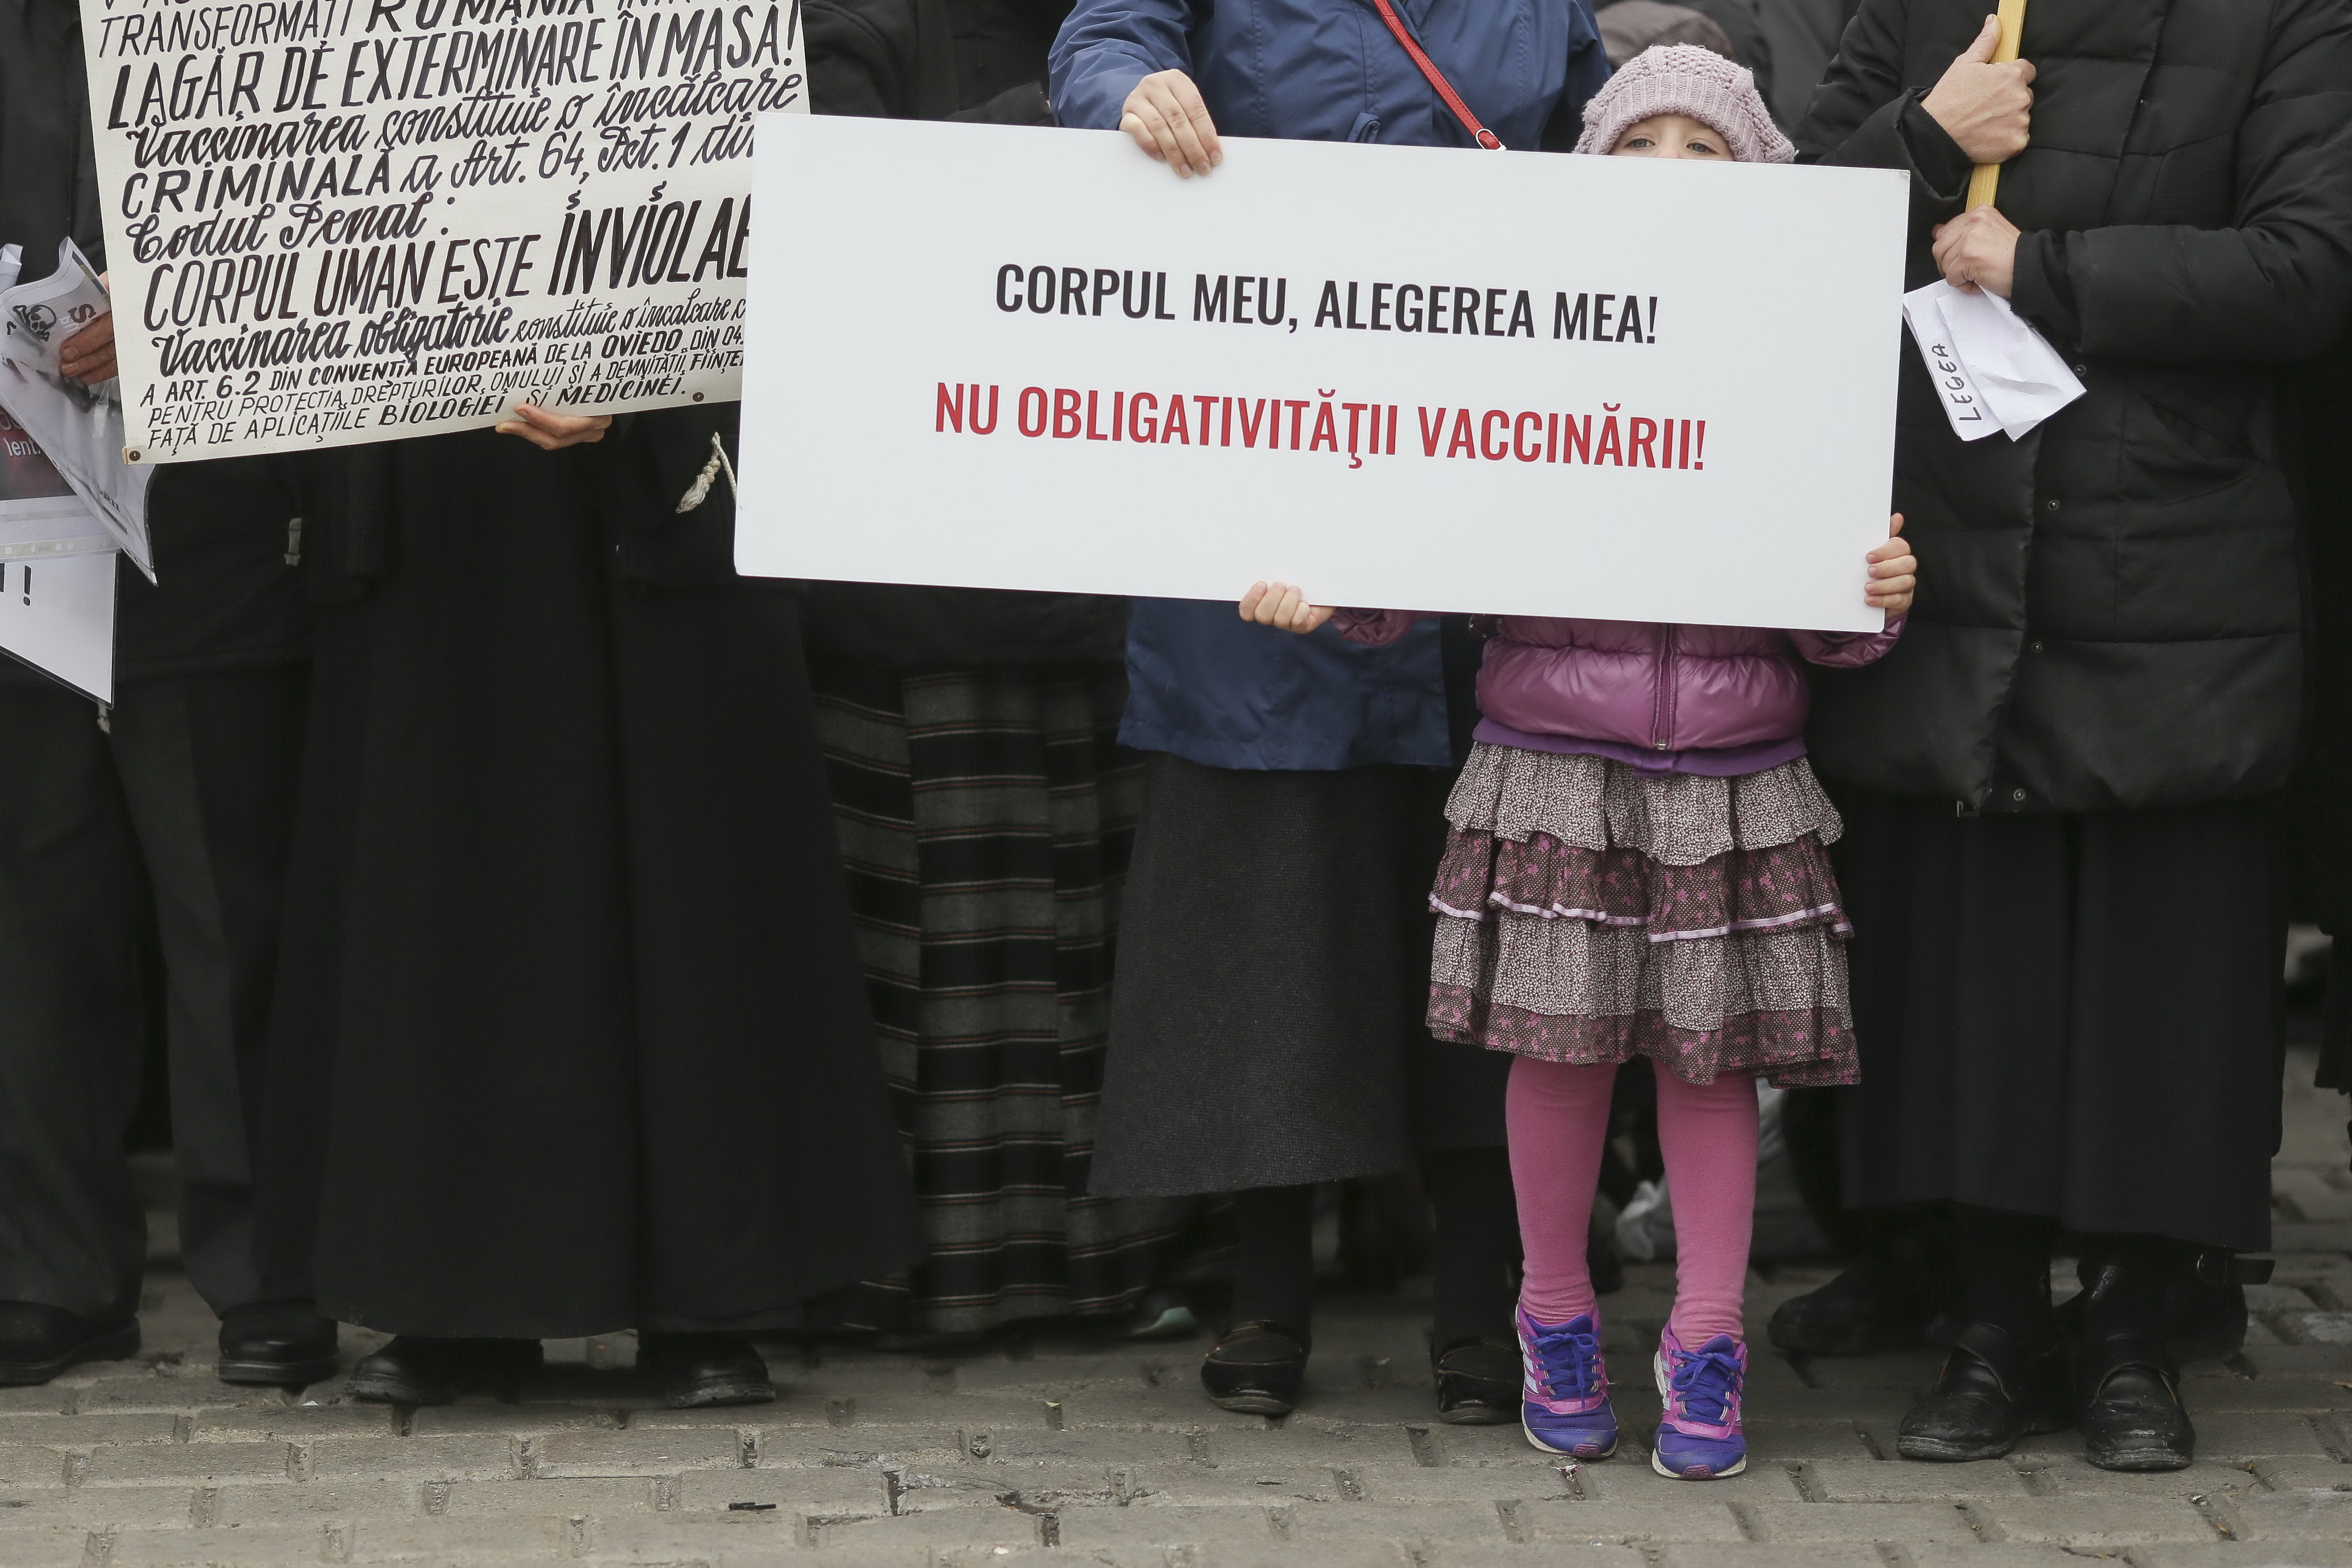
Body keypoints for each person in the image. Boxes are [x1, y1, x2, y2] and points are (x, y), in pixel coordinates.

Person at [1245, 43, 1917, 1478]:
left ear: (1758, 187)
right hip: (1553, 756)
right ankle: (1550, 1311)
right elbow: (1434, 510)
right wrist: (1336, 585)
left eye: (1704, 147)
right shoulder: (1530, 340)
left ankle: (1709, 1336)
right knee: (1557, 1058)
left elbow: (1832, 599)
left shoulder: (1799, 352)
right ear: (1587, 173)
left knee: (1710, 1068)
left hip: (1737, 770)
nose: (1669, 170)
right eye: (1638, 143)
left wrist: (1871, 591)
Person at [1786, 0, 2352, 1471]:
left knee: (2152, 980)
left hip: (2173, 565)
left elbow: (2310, 267)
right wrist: (1925, 141)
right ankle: (1987, 1325)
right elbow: (1784, 250)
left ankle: (2130, 1330)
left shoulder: (2285, 19)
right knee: (1976, 970)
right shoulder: (1914, 12)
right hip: (1956, 565)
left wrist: (2045, 268)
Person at [1048, 0, 1612, 1424]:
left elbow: (1620, 149)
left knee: (1494, 938)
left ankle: (1481, 1303)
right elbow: (1103, 32)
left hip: (1477, 532)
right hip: (1260, 542)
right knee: (1266, 922)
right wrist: (1133, 87)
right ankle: (1264, 1296)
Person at [251, 399, 925, 1407]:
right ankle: (455, 1298)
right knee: (443, 864)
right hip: (439, 471)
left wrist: (637, 372)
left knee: (690, 870)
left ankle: (707, 1301)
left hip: (668, 428)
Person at [796, 0, 1201, 1341]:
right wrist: (1072, 135)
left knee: (1088, 944)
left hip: (1096, 550)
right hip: (901, 574)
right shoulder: (847, 23)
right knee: (917, 949)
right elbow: (835, 205)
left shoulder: (1144, 24)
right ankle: (887, 1276)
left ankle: (1104, 1265)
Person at [0, 0, 337, 1390]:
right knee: (33, 906)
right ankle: (52, 1271)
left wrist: (191, 312)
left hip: (207, 504)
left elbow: (347, 195)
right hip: (19, 521)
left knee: (229, 907)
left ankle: (272, 1277)